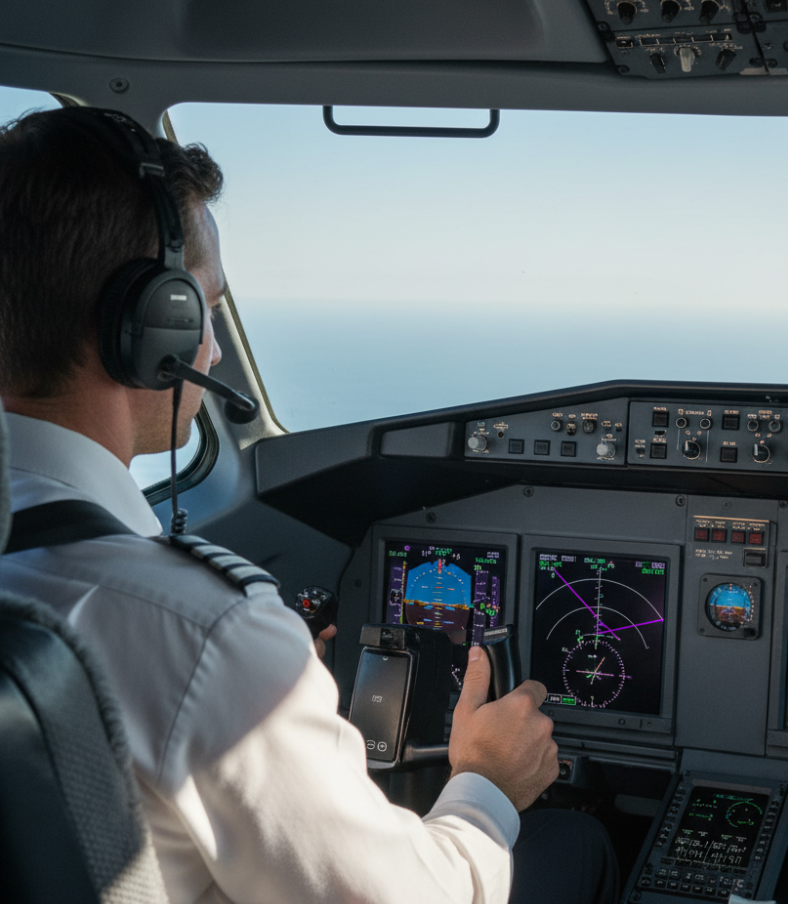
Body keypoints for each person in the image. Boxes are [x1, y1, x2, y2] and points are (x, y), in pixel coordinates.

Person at [0, 107, 617, 904]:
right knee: (577, 841)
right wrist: (486, 781)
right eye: (204, 308)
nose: (212, 348)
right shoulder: (204, 631)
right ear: (152, 329)